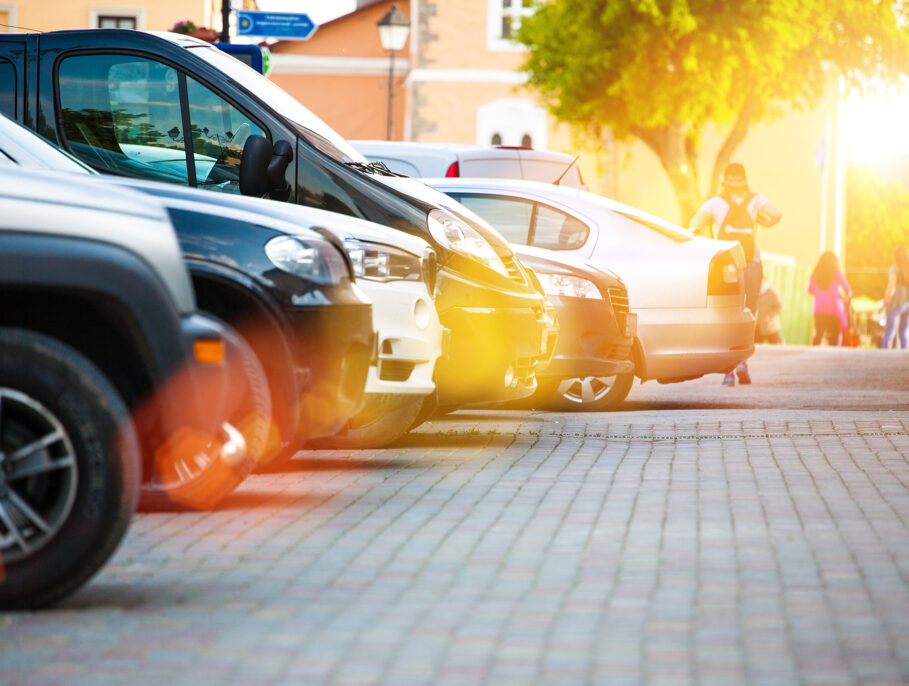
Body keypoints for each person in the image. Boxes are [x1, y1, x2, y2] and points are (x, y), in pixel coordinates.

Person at [690, 162, 782, 386]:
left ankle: (729, 371)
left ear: (724, 180)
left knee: (727, 314)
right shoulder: (755, 201)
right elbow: (776, 214)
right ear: (744, 179)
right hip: (752, 263)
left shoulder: (715, 203)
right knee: (748, 314)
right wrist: (762, 220)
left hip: (727, 265)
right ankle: (743, 362)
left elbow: (693, 225)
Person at [808, 251, 852, 346]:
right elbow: (848, 290)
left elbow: (810, 290)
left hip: (819, 310)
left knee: (819, 333)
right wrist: (843, 296)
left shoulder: (816, 274)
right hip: (833, 309)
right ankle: (833, 354)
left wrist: (819, 293)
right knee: (834, 335)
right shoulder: (836, 273)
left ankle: (813, 352)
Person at [881, 245, 909, 349]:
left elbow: (891, 287)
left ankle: (885, 352)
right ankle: (905, 355)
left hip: (897, 302)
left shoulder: (894, 269)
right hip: (908, 303)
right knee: (904, 333)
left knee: (889, 333)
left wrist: (885, 302)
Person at [755, 278, 784, 344]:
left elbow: (780, 307)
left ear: (765, 281)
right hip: (760, 325)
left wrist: (769, 316)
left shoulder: (771, 292)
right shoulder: (758, 292)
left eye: (761, 282)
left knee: (775, 347)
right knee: (756, 345)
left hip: (771, 326)